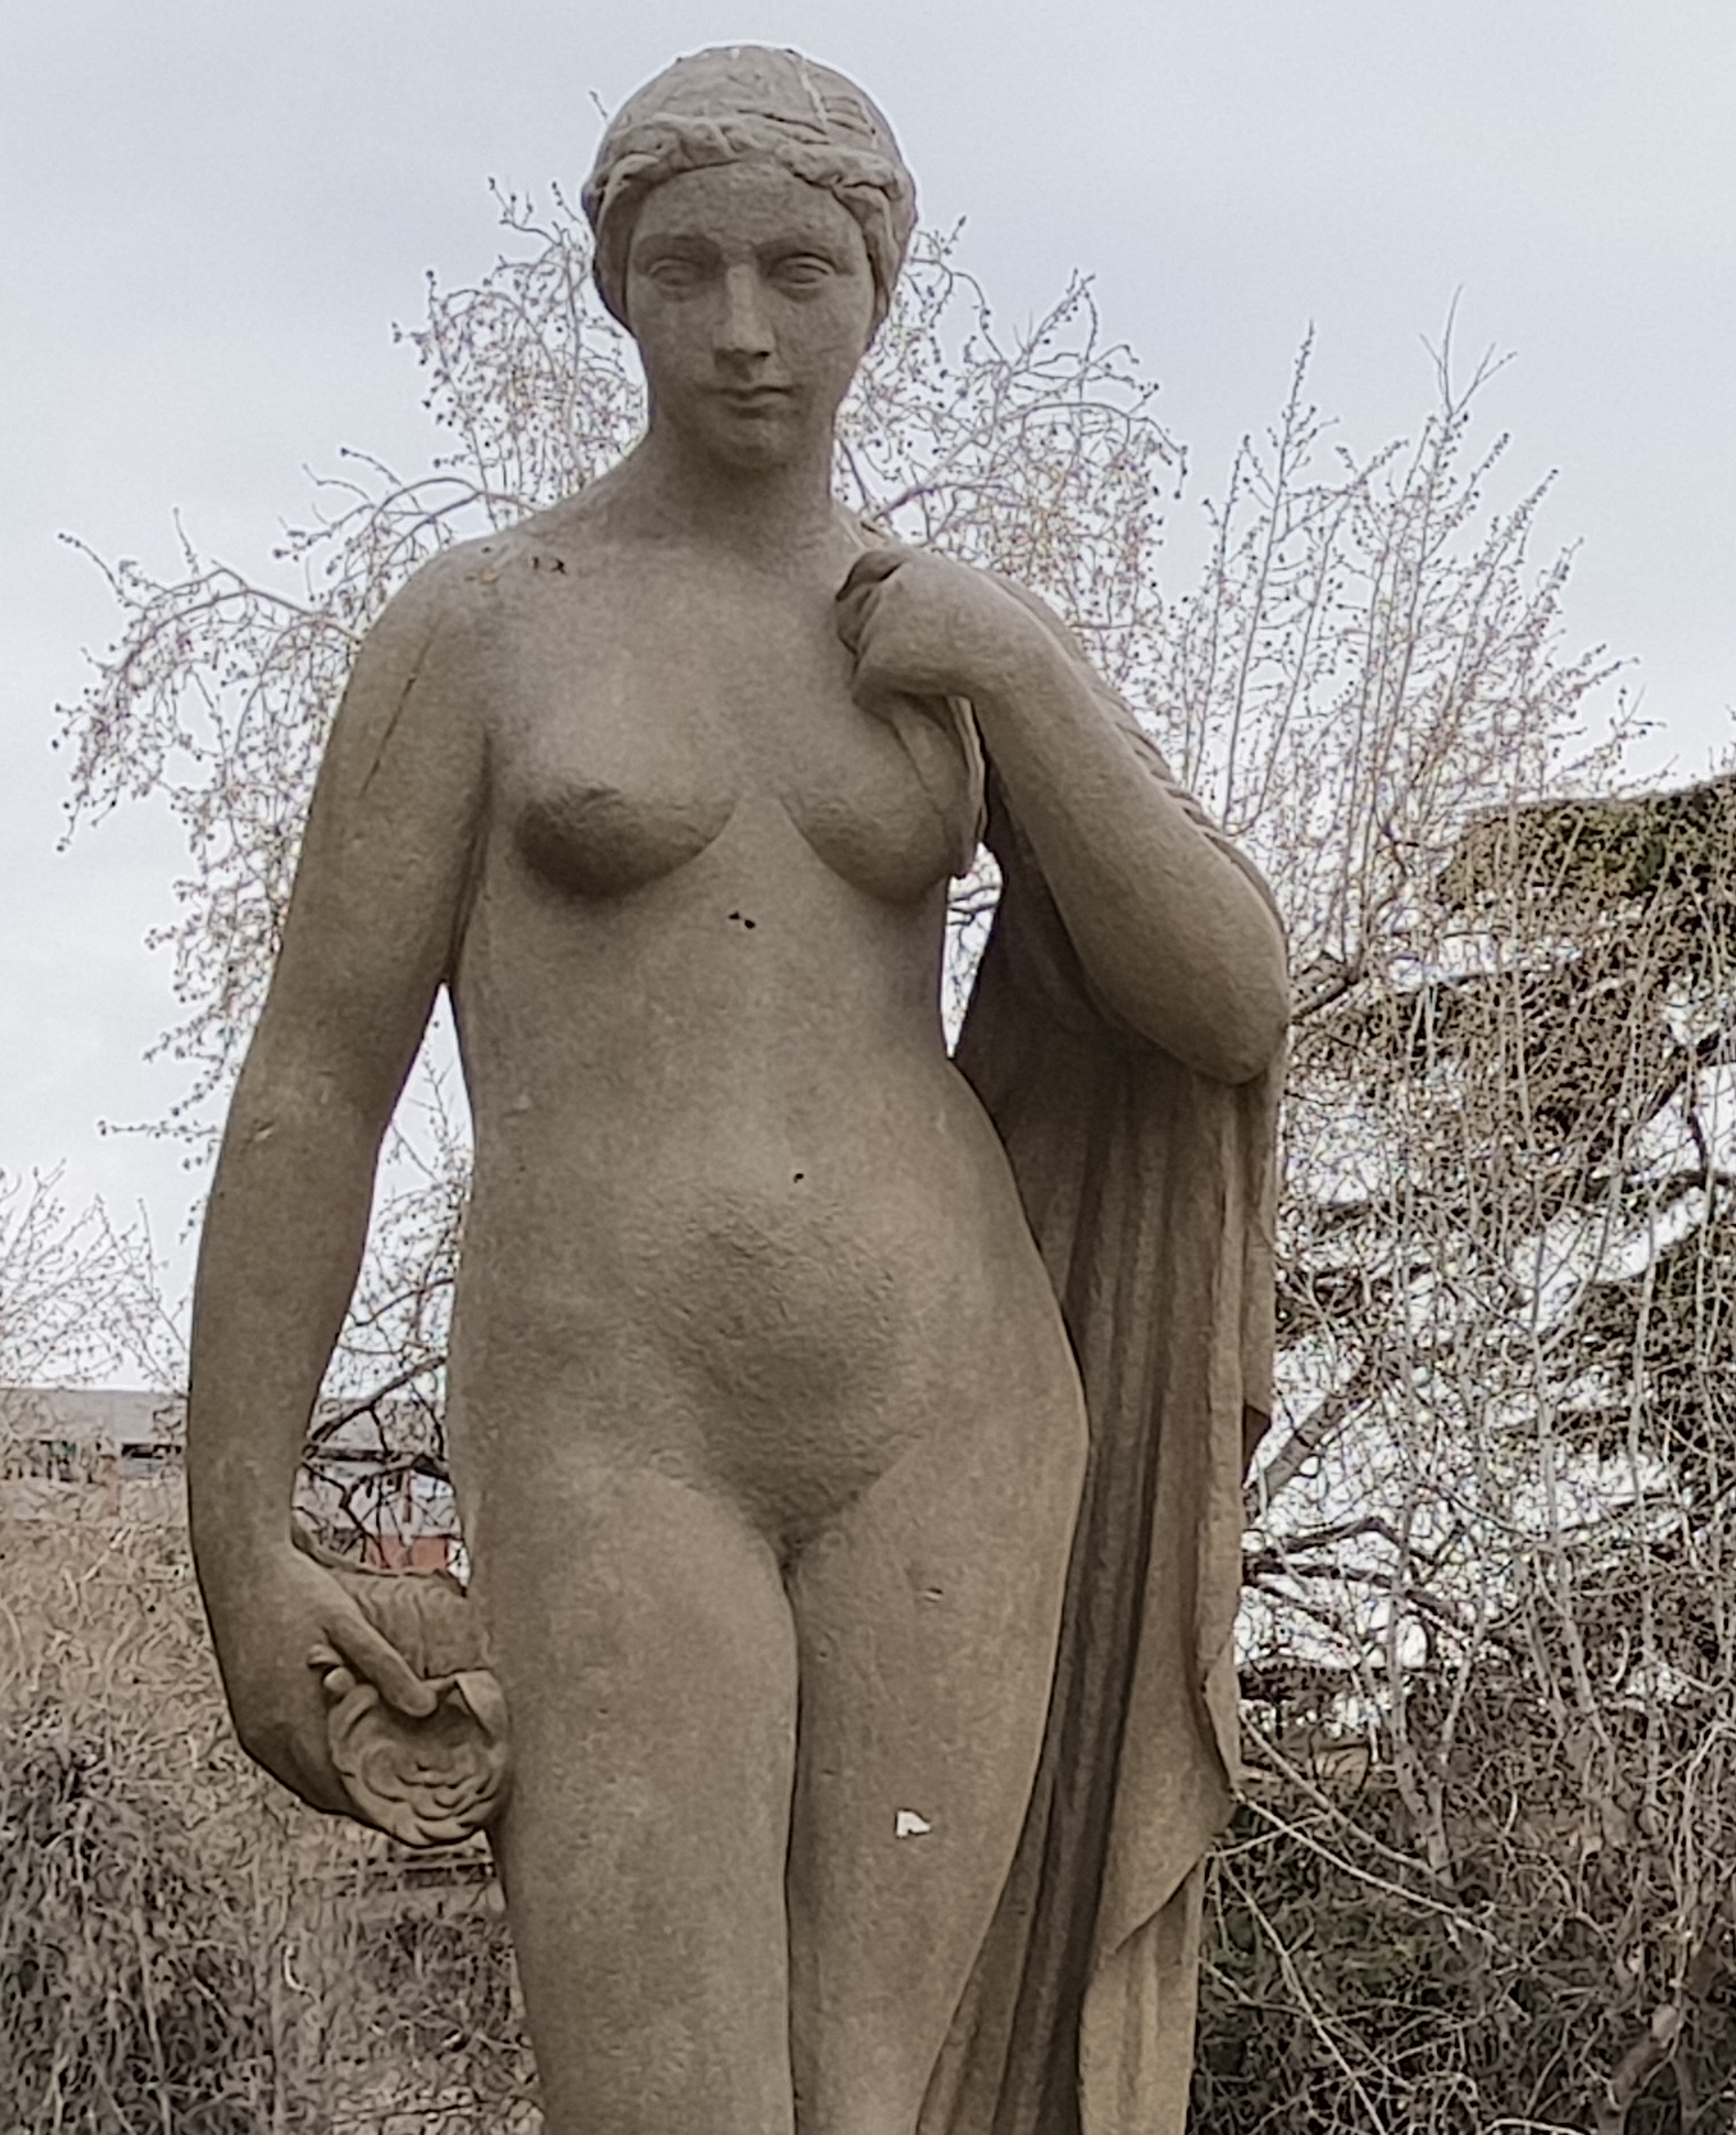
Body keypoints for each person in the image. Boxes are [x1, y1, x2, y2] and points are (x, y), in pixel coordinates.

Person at [182, 47, 1286, 2135]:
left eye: (801, 269)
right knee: (667, 2103)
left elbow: (1226, 1003)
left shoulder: (948, 640)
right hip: (620, 1417)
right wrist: (242, 1540)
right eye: (687, 270)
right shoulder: (488, 629)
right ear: (616, 289)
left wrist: (1031, 683)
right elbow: (319, 1082)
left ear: (883, 287)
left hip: (955, 1410)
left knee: (898, 2104)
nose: (747, 328)